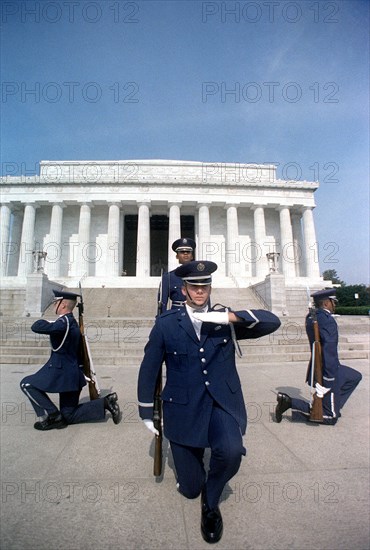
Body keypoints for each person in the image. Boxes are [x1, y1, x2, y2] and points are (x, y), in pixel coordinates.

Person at [138, 260, 281, 543]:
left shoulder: (223, 320)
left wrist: (230, 318)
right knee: (190, 488)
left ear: (210, 288)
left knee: (230, 452)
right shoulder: (166, 324)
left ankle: (212, 501)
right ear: (184, 289)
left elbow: (272, 321)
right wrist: (146, 411)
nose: (200, 291)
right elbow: (149, 367)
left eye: (204, 286)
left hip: (220, 403)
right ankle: (197, 478)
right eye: (194, 286)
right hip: (182, 407)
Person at [20, 290, 122, 430]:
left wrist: (45, 320)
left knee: (26, 384)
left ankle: (52, 415)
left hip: (60, 372)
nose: (54, 305)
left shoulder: (64, 323)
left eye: (56, 302)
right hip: (72, 375)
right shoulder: (71, 322)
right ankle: (106, 403)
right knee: (69, 415)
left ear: (62, 305)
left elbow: (36, 326)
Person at [275, 288, 362, 425]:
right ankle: (289, 402)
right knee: (329, 418)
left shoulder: (312, 316)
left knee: (354, 376)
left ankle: (333, 404)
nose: (335, 305)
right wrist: (327, 381)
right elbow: (329, 350)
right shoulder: (326, 320)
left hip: (324, 365)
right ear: (327, 303)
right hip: (328, 370)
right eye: (334, 302)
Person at [158, 237, 196, 313]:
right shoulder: (168, 277)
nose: (185, 253)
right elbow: (162, 303)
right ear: (177, 256)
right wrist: (161, 320)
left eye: (188, 252)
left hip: (195, 315)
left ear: (192, 256)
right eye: (182, 252)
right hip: (176, 315)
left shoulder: (199, 276)